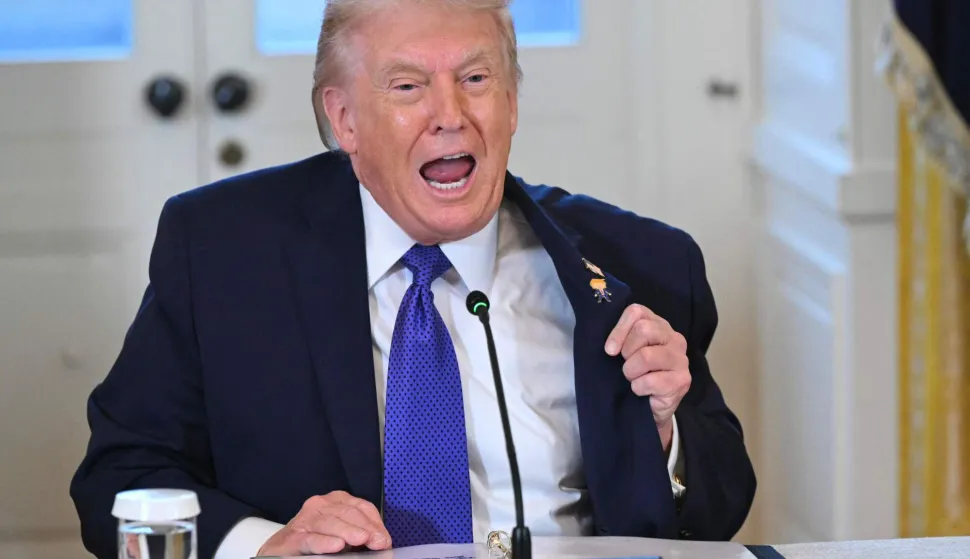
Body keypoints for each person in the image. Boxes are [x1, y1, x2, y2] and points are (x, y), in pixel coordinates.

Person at [70, 1, 756, 557]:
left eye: (477, 79)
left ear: (512, 103)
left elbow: (721, 506)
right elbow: (120, 477)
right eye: (407, 86)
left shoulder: (642, 263)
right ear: (344, 119)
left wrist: (666, 433)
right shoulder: (223, 253)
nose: (450, 113)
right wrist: (265, 545)